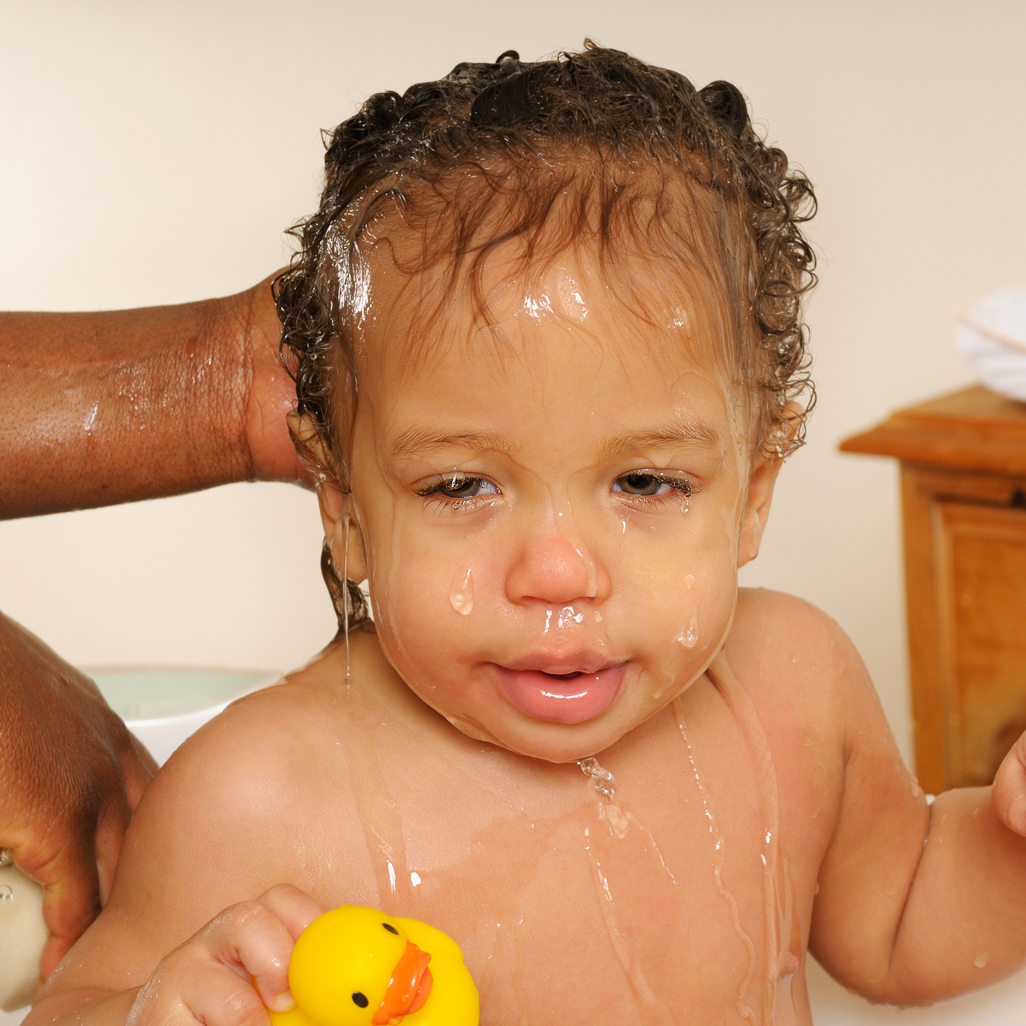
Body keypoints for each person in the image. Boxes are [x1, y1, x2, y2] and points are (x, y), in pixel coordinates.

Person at [24, 43, 1026, 1025]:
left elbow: (901, 920)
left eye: (644, 480)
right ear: (344, 506)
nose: (557, 572)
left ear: (753, 493)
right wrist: (158, 1011)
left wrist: (1013, 841)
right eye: (461, 485)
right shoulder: (256, 801)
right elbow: (73, 1006)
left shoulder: (790, 694)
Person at [0, 274, 297, 976]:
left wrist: (247, 375)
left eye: (620, 482)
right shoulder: (254, 781)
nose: (559, 570)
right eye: (462, 485)